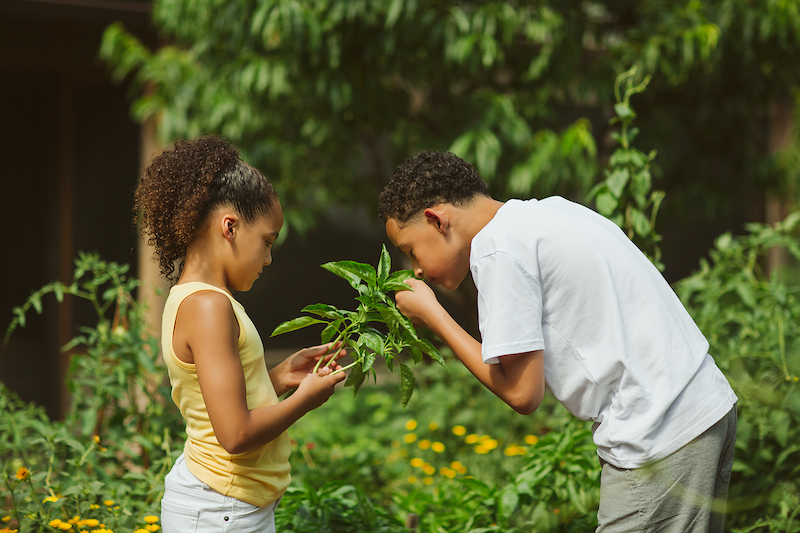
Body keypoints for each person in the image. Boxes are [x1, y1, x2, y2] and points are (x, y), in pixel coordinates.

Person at [378, 150, 738, 532]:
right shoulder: (547, 212)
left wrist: (434, 316)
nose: (415, 268)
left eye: (410, 251)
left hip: (660, 436)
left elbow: (522, 394)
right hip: (704, 409)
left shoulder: (498, 249)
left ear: (436, 220)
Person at [135, 136, 346, 532]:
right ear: (229, 227)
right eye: (267, 241)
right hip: (219, 510)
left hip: (223, 503)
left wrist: (281, 377)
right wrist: (305, 400)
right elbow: (235, 433)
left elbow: (220, 403)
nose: (268, 258)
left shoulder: (199, 298)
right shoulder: (208, 307)